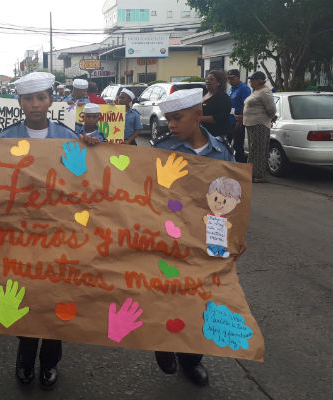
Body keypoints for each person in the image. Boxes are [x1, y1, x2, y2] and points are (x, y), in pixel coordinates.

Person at [0, 72, 92, 390]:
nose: (35, 104)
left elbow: (81, 180)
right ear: (21, 102)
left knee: (56, 297)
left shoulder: (67, 137)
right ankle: (25, 359)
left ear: (51, 100)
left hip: (58, 232)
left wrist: (94, 148)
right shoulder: (6, 136)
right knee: (26, 293)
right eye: (28, 98)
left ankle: (50, 362)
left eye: (41, 97)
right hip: (21, 233)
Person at [150, 88, 236, 387]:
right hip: (170, 237)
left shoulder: (222, 150)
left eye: (178, 118)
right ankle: (163, 343)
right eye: (168, 119)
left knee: (201, 300)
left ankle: (192, 360)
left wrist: (234, 237)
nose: (171, 124)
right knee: (168, 295)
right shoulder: (162, 148)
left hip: (207, 240)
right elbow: (147, 192)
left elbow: (233, 197)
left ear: (198, 115)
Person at [243, 71, 277, 183]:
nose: (250, 82)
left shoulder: (265, 92)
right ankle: (251, 173)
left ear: (259, 80)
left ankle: (259, 175)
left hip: (260, 124)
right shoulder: (256, 91)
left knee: (259, 150)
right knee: (253, 150)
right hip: (251, 124)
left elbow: (271, 109)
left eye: (252, 80)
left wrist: (272, 117)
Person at [226, 69, 251, 162]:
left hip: (238, 122)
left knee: (238, 146)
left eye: (232, 78)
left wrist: (240, 121)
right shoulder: (231, 89)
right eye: (228, 78)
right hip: (229, 121)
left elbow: (246, 105)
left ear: (238, 78)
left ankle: (240, 167)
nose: (230, 81)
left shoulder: (244, 89)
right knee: (226, 144)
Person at [200, 70, 232, 139]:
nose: (207, 81)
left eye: (211, 79)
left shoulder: (222, 97)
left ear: (219, 83)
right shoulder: (205, 94)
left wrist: (199, 118)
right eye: (207, 79)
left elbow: (220, 118)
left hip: (217, 135)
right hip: (204, 133)